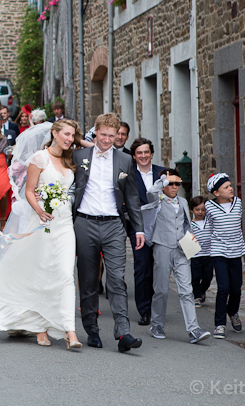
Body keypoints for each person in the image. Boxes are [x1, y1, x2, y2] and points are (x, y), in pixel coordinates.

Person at [0, 120, 82, 350]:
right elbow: (29, 191)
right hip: (41, 222)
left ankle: (69, 331)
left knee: (65, 274)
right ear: (54, 133)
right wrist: (40, 210)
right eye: (66, 134)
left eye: (73, 135)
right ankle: (39, 327)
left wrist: (79, 140)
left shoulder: (69, 158)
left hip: (64, 224)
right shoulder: (40, 158)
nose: (70, 139)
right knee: (41, 273)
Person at [71, 113, 143, 352]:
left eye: (112, 136)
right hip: (84, 223)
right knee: (88, 280)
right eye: (103, 134)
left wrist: (138, 228)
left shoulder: (125, 160)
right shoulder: (79, 156)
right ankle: (92, 329)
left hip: (114, 225)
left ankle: (123, 333)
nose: (107, 139)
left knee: (116, 279)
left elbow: (132, 195)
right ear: (96, 132)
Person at [141, 169, 211, 344]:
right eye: (170, 184)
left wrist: (190, 238)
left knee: (186, 290)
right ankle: (156, 324)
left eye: (176, 184)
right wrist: (163, 180)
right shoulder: (157, 200)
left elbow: (186, 223)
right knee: (161, 289)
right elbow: (150, 192)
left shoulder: (183, 201)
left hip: (181, 249)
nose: (174, 187)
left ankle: (193, 330)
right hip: (162, 247)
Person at [128, 137, 166, 326]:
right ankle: (144, 310)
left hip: (160, 226)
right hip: (138, 227)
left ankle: (157, 307)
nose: (143, 156)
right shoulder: (128, 174)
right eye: (139, 153)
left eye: (146, 152)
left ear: (151, 153)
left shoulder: (162, 173)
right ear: (134, 156)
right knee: (142, 267)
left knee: (159, 267)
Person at [205, 173, 245, 339]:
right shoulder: (209, 207)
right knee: (223, 288)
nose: (231, 189)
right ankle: (219, 324)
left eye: (230, 186)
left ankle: (233, 312)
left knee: (236, 289)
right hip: (218, 251)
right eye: (226, 187)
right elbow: (206, 228)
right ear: (216, 193)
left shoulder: (238, 203)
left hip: (236, 252)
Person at [188, 195, 213, 307]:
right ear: (192, 210)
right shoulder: (190, 225)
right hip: (195, 256)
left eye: (203, 210)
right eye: (197, 209)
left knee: (208, 277)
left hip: (208, 254)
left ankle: (202, 291)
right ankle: (197, 296)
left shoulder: (209, 222)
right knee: (195, 277)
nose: (200, 212)